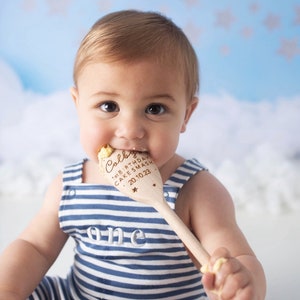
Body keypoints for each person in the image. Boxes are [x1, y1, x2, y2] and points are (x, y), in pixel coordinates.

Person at [0, 10, 266, 300]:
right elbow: (35, 247)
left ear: (186, 115)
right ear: (78, 105)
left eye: (154, 109)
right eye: (108, 106)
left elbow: (235, 254)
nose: (129, 130)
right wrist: (9, 290)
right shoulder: (71, 186)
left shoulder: (196, 189)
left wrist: (238, 280)